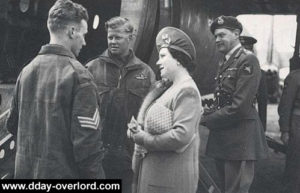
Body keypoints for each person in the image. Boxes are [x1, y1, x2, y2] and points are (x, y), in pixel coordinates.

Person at [5, 0, 105, 179]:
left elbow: (12, 125)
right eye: (83, 34)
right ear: (72, 32)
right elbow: (88, 148)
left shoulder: (26, 72)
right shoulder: (80, 77)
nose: (84, 41)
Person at [127, 26, 203, 193]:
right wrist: (137, 130)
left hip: (169, 179)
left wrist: (143, 138)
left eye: (163, 56)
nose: (158, 61)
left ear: (178, 59)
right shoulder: (171, 88)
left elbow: (180, 137)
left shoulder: (187, 91)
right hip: (158, 176)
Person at [86, 16, 155, 193]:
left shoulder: (146, 73)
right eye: (110, 37)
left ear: (131, 37)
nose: (113, 41)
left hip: (129, 155)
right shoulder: (92, 68)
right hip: (97, 154)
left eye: (118, 37)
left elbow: (150, 115)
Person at [201, 16, 269, 193]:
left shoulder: (247, 60)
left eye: (222, 35)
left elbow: (240, 106)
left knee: (236, 189)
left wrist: (206, 119)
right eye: (215, 36)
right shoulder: (226, 60)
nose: (217, 40)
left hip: (240, 138)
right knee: (225, 188)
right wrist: (209, 109)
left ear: (236, 34)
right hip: (225, 136)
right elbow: (223, 98)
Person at [278, 70, 300, 193]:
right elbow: (285, 105)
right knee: (295, 171)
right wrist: (285, 130)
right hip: (297, 128)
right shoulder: (295, 77)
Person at [240, 35, 268, 130]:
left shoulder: (260, 73)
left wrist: (262, 127)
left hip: (249, 119)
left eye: (247, 50)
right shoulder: (228, 70)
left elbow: (262, 102)